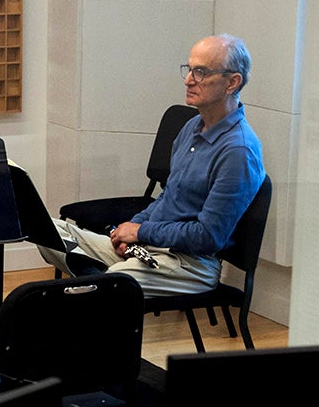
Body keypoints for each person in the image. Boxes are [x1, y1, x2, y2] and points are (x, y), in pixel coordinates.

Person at [45, 34, 265, 296]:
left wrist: (141, 231)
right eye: (189, 69)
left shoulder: (238, 151)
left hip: (190, 264)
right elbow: (167, 198)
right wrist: (126, 233)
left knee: (109, 286)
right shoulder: (191, 127)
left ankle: (102, 290)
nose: (188, 80)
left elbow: (208, 237)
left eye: (201, 72)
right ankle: (102, 287)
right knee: (47, 231)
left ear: (232, 82)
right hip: (152, 248)